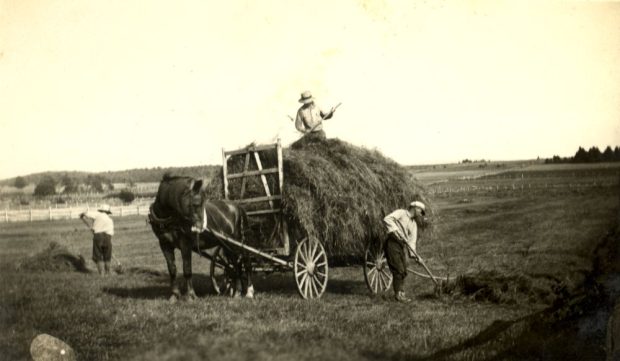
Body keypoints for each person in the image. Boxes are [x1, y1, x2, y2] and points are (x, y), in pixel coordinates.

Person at [383, 201, 426, 303]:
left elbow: (411, 243)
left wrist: (416, 257)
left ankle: (401, 293)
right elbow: (387, 219)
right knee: (398, 269)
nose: (421, 213)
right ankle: (399, 295)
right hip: (392, 243)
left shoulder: (413, 224)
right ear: (415, 207)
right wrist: (395, 230)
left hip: (401, 246)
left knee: (404, 271)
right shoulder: (401, 213)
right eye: (421, 211)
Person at [80, 204, 114, 276]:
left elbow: (86, 213)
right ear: (108, 212)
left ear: (101, 210)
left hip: (98, 237)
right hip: (108, 238)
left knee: (98, 256)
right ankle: (107, 273)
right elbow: (111, 233)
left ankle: (101, 274)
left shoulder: (97, 214)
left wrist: (82, 215)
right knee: (107, 257)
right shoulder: (110, 220)